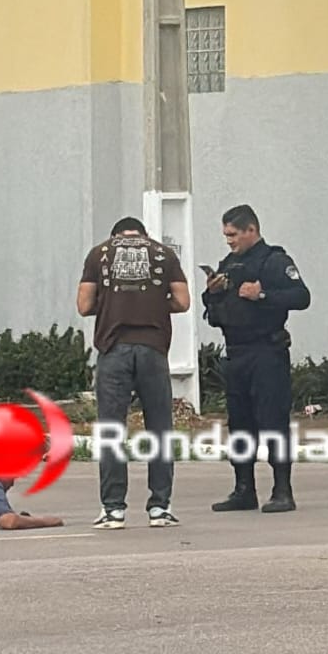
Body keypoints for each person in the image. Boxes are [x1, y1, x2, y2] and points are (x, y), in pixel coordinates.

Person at [77, 217, 190, 529]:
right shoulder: (165, 254)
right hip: (153, 348)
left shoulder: (98, 254)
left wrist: (113, 303)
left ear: (115, 235)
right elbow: (182, 301)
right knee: (160, 427)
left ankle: (113, 509)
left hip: (114, 349)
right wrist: (152, 303)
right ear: (144, 234)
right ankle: (160, 507)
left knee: (113, 429)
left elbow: (84, 305)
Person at [201, 204, 310, 514]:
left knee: (273, 420)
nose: (229, 242)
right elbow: (214, 307)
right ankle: (243, 489)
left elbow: (301, 297)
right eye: (226, 236)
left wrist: (262, 295)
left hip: (267, 352)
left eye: (233, 235)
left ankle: (282, 490)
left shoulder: (274, 261)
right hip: (236, 353)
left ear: (251, 230)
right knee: (240, 424)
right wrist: (212, 292)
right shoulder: (229, 264)